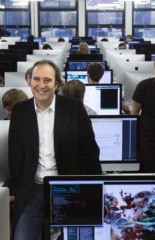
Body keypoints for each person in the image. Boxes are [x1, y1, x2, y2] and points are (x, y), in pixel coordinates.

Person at [8, 60, 102, 240]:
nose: (41, 85)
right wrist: (14, 190)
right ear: (30, 82)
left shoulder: (74, 109)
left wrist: (96, 188)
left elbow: (90, 151)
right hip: (33, 190)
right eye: (36, 79)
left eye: (47, 80)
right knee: (21, 236)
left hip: (69, 188)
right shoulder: (20, 111)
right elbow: (15, 155)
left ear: (57, 84)